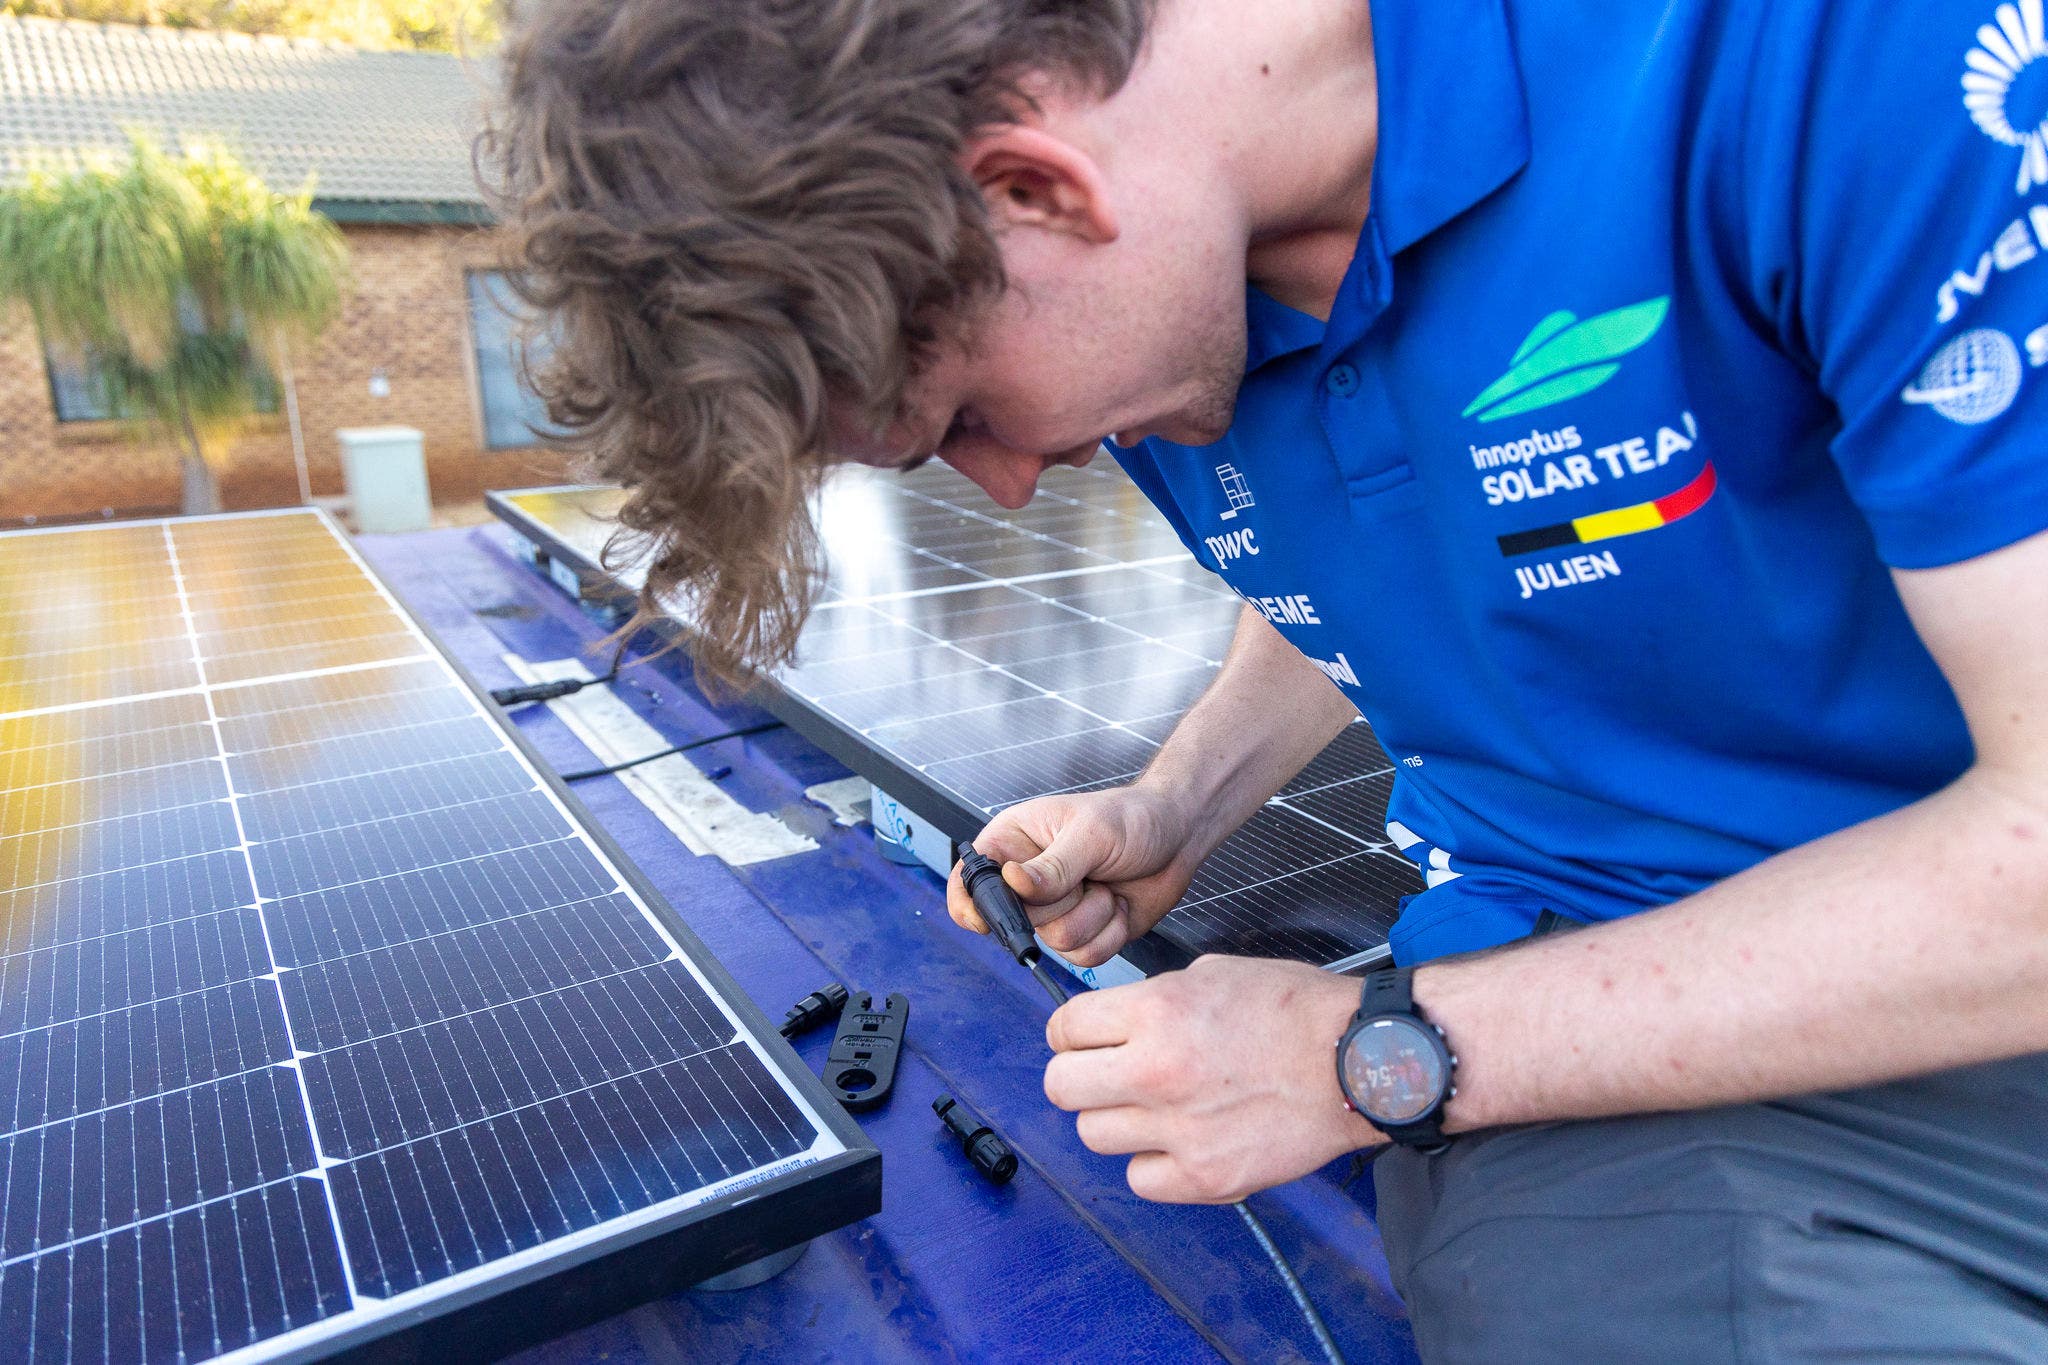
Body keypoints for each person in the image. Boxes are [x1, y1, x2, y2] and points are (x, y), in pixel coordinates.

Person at [487, 0, 2048, 1356]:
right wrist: (1182, 796)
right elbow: (1378, 546)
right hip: (1619, 1114)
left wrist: (1369, 1056)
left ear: (1035, 189)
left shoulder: (1839, 59)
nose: (1017, 484)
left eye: (965, 417)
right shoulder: (1180, 306)